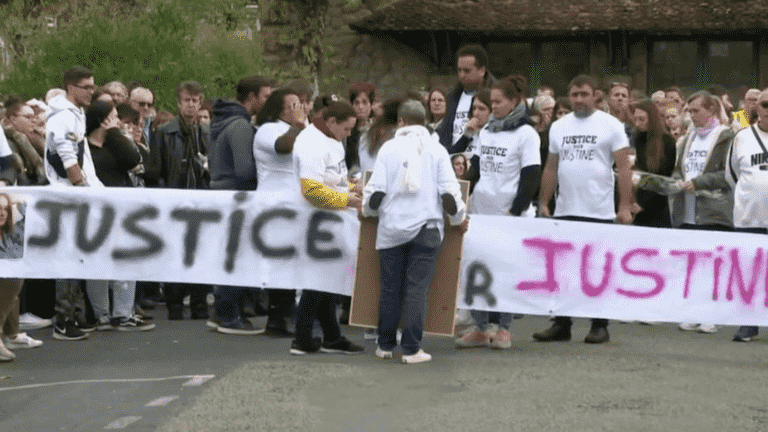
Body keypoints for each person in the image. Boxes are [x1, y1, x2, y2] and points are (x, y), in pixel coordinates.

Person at [362, 100, 466, 364]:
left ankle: (385, 345)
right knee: (416, 289)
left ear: (401, 122)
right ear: (425, 121)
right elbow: (449, 191)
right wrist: (458, 218)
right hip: (427, 229)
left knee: (390, 288)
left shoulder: (388, 149)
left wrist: (369, 210)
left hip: (391, 228)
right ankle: (411, 349)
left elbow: (376, 191)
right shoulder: (438, 150)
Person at [533, 74, 634, 344]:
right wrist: (544, 202)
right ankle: (562, 323)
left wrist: (624, 206)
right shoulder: (558, 126)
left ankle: (599, 325)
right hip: (565, 208)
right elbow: (551, 167)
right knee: (563, 270)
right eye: (574, 95)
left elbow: (624, 168)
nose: (579, 99)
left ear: (596, 96)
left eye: (584, 94)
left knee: (596, 270)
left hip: (599, 210)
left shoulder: (611, 125)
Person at [455, 75, 541, 350]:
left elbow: (531, 177)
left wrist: (515, 212)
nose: (493, 107)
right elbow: (476, 169)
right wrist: (463, 200)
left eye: (498, 102)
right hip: (480, 211)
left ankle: (503, 328)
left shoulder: (526, 134)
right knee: (476, 267)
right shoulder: (488, 131)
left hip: (508, 215)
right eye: (490, 102)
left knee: (503, 271)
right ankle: (480, 327)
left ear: (514, 102)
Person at [290, 101, 364, 356]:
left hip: (330, 218)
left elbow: (333, 179)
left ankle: (330, 336)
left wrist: (351, 187)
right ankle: (302, 337)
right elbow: (311, 189)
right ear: (331, 122)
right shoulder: (312, 143)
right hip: (315, 219)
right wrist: (347, 199)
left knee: (326, 280)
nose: (348, 134)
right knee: (317, 280)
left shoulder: (329, 138)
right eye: (346, 128)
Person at [207, 75, 273, 335]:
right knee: (236, 256)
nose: (268, 101)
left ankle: (222, 312)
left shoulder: (225, 121)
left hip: (223, 195)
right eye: (266, 96)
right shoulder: (241, 127)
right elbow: (245, 169)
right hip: (237, 197)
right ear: (251, 97)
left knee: (229, 255)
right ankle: (228, 315)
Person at [46, 65, 103, 340]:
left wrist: (93, 187)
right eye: (86, 87)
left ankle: (76, 313)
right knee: (68, 259)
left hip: (76, 193)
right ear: (71, 88)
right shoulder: (62, 117)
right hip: (66, 195)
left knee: (78, 257)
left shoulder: (75, 113)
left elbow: (84, 159)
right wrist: (80, 187)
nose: (92, 91)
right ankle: (62, 318)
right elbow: (68, 157)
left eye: (93, 86)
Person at [670, 91, 735, 334]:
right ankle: (694, 312)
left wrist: (700, 182)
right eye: (688, 110)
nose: (690, 115)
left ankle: (712, 315)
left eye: (695, 110)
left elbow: (728, 174)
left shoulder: (726, 138)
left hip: (714, 208)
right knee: (693, 265)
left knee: (714, 265)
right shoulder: (688, 138)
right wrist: (677, 181)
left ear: (710, 110)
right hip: (688, 208)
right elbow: (679, 168)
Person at [146, 80, 211, 320]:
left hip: (202, 199)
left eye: (195, 101)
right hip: (174, 198)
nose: (191, 106)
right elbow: (155, 170)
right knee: (174, 253)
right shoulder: (165, 132)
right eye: (187, 101)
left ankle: (199, 304)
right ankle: (175, 303)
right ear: (179, 102)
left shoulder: (206, 132)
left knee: (202, 253)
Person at [251, 88, 307, 336]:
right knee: (280, 262)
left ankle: (288, 314)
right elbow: (283, 147)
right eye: (293, 105)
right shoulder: (268, 129)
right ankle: (277, 317)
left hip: (294, 204)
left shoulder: (300, 132)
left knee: (293, 261)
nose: (300, 109)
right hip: (274, 206)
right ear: (280, 109)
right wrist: (297, 127)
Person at [726, 88, 768, 342]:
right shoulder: (742, 137)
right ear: (757, 108)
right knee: (749, 273)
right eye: (765, 104)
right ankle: (748, 323)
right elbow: (732, 175)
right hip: (749, 217)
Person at [0, 193, 43, 361]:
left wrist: (18, 200)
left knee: (13, 278)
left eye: (5, 210)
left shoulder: (14, 232)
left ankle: (11, 335)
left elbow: (33, 212)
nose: (2, 213)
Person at [437, 44, 497, 151]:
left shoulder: (497, 97)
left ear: (482, 71)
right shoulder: (452, 97)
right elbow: (446, 133)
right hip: (456, 160)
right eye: (459, 70)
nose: (461, 75)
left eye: (467, 71)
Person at [630, 99, 677, 228]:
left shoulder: (666, 141)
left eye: (642, 119)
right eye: (635, 119)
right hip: (637, 202)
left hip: (657, 205)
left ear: (652, 119)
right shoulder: (638, 138)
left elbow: (663, 177)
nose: (637, 123)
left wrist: (643, 204)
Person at [347, 82, 377, 173]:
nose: (360, 107)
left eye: (364, 102)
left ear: (371, 105)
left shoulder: (377, 130)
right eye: (357, 103)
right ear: (352, 105)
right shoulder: (346, 130)